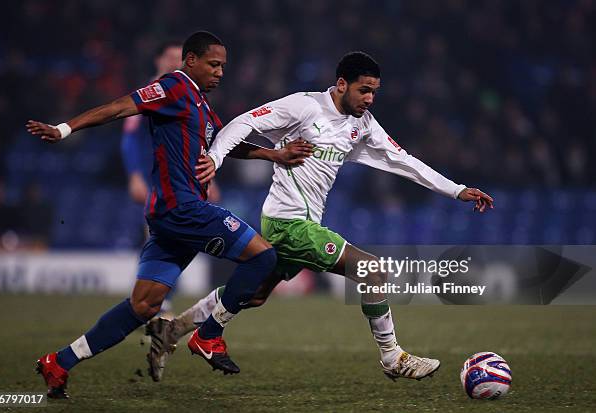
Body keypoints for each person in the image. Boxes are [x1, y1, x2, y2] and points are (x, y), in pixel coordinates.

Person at [145, 51, 494, 382]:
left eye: (374, 92)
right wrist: (216, 159)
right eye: (364, 90)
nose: (370, 99)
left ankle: (171, 328)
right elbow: (242, 122)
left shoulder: (362, 124)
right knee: (372, 270)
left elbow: (402, 160)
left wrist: (456, 189)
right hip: (288, 222)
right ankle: (392, 357)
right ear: (342, 84)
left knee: (253, 295)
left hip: (300, 223)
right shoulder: (304, 106)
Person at [26, 31, 311, 398]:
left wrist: (274, 155)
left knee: (144, 305)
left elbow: (224, 142)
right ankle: (209, 335)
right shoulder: (173, 87)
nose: (221, 72)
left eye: (223, 65)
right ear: (190, 61)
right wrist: (64, 128)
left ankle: (59, 363)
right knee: (264, 257)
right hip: (183, 208)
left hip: (171, 218)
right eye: (213, 64)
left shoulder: (201, 104)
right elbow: (119, 107)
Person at [121, 41, 183, 316]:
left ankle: (155, 299)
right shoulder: (146, 95)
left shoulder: (185, 95)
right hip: (152, 178)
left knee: (176, 236)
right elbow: (129, 139)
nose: (174, 63)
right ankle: (152, 301)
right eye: (169, 57)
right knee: (157, 235)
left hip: (178, 179)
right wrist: (135, 175)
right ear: (158, 60)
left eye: (179, 59)